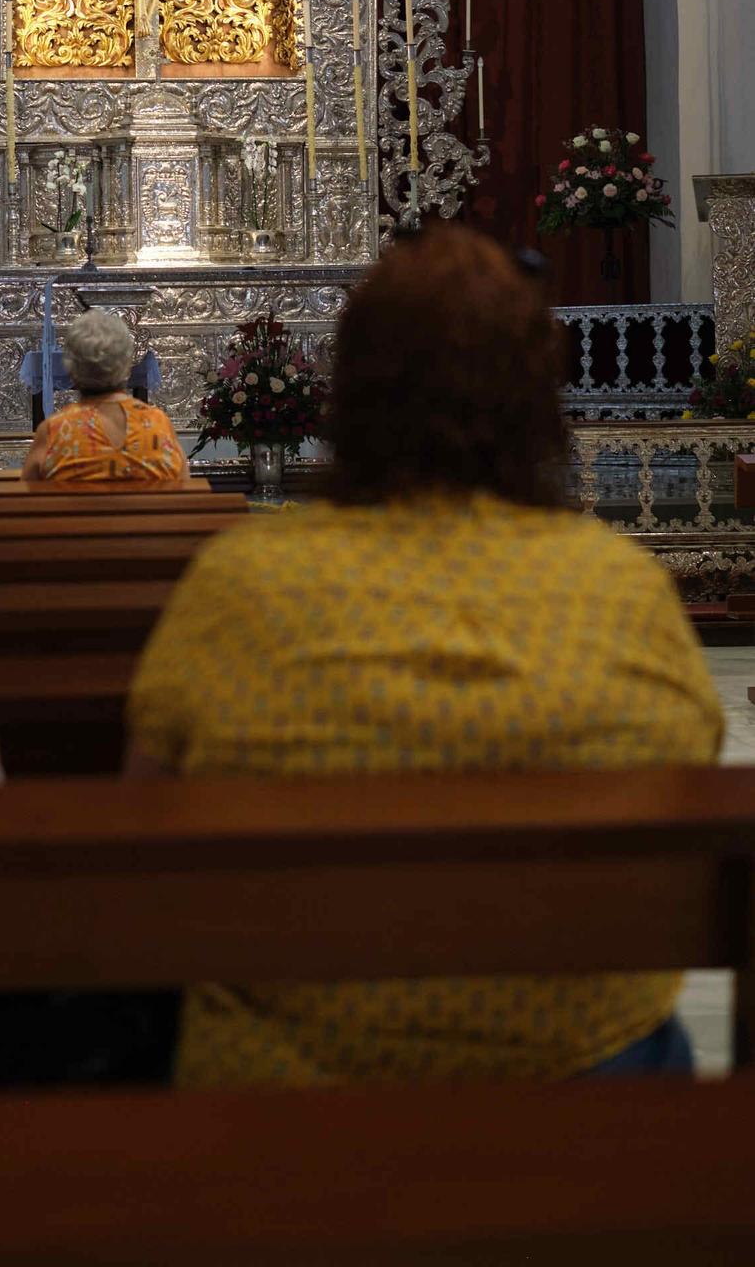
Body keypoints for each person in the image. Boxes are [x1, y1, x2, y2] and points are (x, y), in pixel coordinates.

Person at [127, 226, 723, 1086]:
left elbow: (145, 835)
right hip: (581, 1068)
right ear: (534, 396)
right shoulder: (620, 587)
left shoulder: (241, 581)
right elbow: (684, 819)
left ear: (354, 386)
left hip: (289, 1076)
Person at [22, 310, 188, 486]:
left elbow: (26, 498)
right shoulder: (157, 424)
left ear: (71, 367)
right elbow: (184, 486)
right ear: (126, 364)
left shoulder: (55, 430)